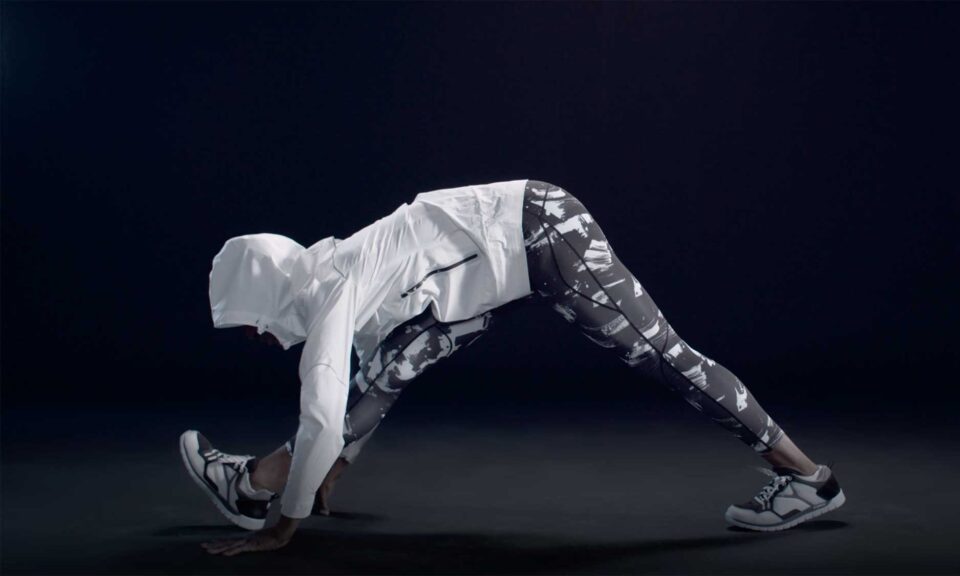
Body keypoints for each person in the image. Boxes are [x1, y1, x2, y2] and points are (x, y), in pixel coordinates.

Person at [182, 179, 846, 556]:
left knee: (668, 358)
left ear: (270, 301)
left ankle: (808, 479)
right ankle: (258, 479)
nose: (257, 338)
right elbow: (381, 372)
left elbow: (323, 412)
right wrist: (338, 462)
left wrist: (284, 527)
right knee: (390, 368)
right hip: (509, 262)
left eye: (251, 325)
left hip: (541, 236)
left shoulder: (332, 292)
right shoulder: (337, 272)